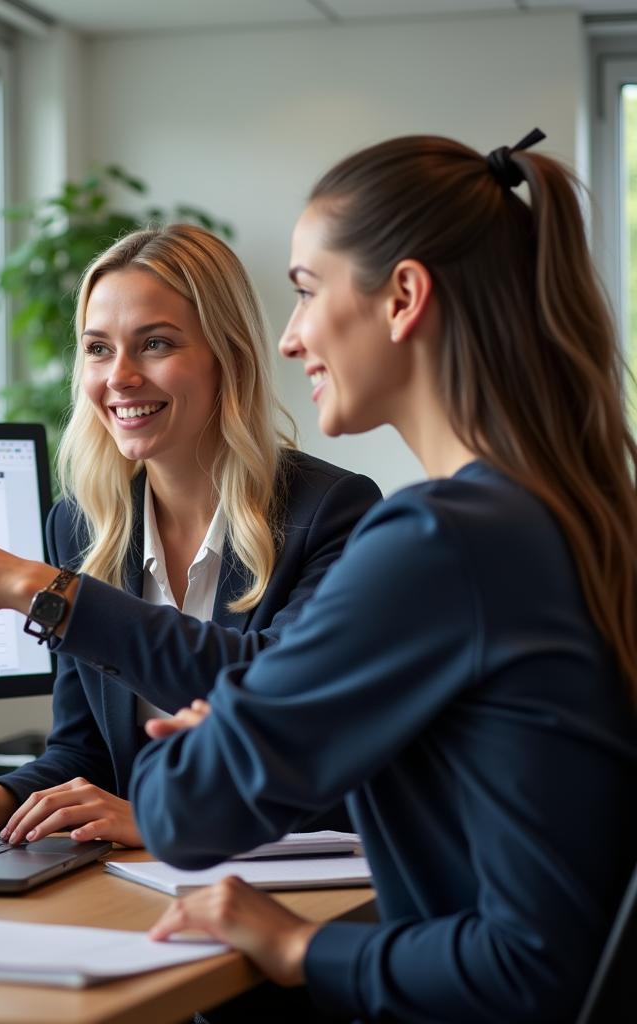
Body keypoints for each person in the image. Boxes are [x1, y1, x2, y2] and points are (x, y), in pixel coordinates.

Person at [129, 132, 637, 1023]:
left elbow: (182, 810)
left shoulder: (441, 541)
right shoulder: (578, 511)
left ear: (403, 296)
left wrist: (297, 945)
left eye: (305, 291)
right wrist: (279, 714)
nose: (288, 339)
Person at [0, 224, 381, 847]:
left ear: (230, 356)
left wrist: (40, 590)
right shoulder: (81, 525)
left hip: (291, 881)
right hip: (146, 884)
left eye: (156, 344)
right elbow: (86, 750)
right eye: (97, 348)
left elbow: (274, 695)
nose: (119, 377)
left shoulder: (331, 511)